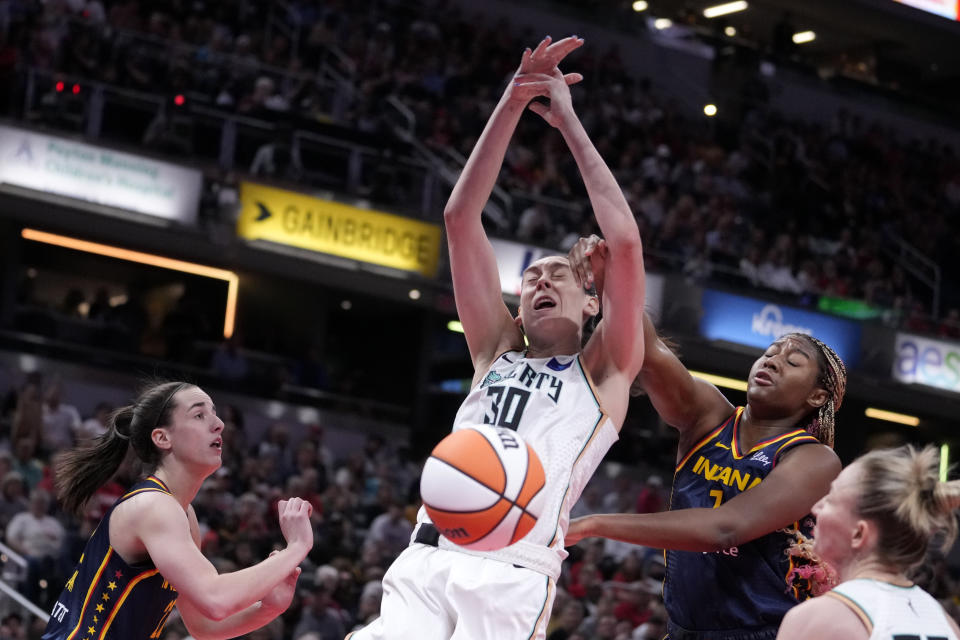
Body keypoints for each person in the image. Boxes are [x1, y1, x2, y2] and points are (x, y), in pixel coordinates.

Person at [350, 36, 647, 640]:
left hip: (512, 563)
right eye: (529, 276)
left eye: (556, 273)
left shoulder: (606, 372)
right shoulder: (496, 351)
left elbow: (628, 246)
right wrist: (513, 99)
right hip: (431, 550)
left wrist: (565, 117)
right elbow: (461, 218)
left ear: (593, 299)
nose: (538, 279)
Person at [566, 235, 846, 640]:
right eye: (771, 351)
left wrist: (593, 524)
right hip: (682, 628)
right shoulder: (709, 414)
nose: (772, 359)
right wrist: (609, 275)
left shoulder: (814, 460)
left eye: (793, 360)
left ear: (817, 396)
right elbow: (647, 347)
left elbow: (725, 529)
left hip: (761, 632)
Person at [42, 380, 314, 640]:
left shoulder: (183, 514)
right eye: (199, 415)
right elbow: (216, 599)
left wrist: (268, 608)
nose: (219, 424)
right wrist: (296, 547)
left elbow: (203, 626)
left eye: (215, 414)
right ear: (162, 437)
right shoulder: (153, 506)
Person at [776, 445, 960, 640]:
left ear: (859, 534)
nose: (815, 508)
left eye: (830, 499)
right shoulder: (945, 623)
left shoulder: (817, 620)